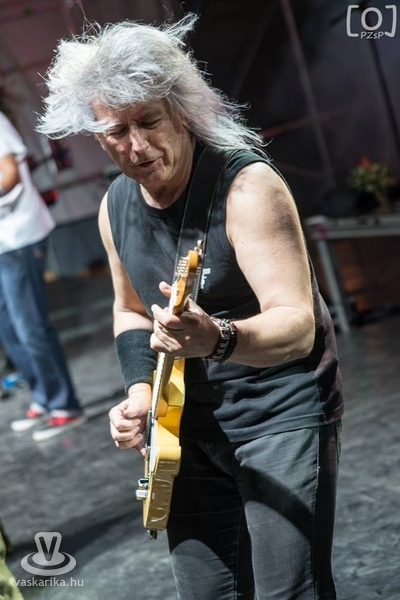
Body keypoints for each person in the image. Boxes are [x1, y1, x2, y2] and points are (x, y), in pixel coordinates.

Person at [37, 14, 343, 599]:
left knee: (289, 592)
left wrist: (217, 338)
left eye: (149, 121)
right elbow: (130, 310)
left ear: (181, 111)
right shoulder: (114, 207)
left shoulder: (247, 188)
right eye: (115, 131)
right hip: (185, 428)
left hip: (279, 415)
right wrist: (139, 395)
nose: (136, 146)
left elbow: (298, 325)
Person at [0, 82, 86, 442]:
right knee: (8, 328)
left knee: (30, 326)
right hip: (3, 243)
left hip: (19, 236)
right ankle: (43, 397)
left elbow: (8, 174)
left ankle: (65, 405)